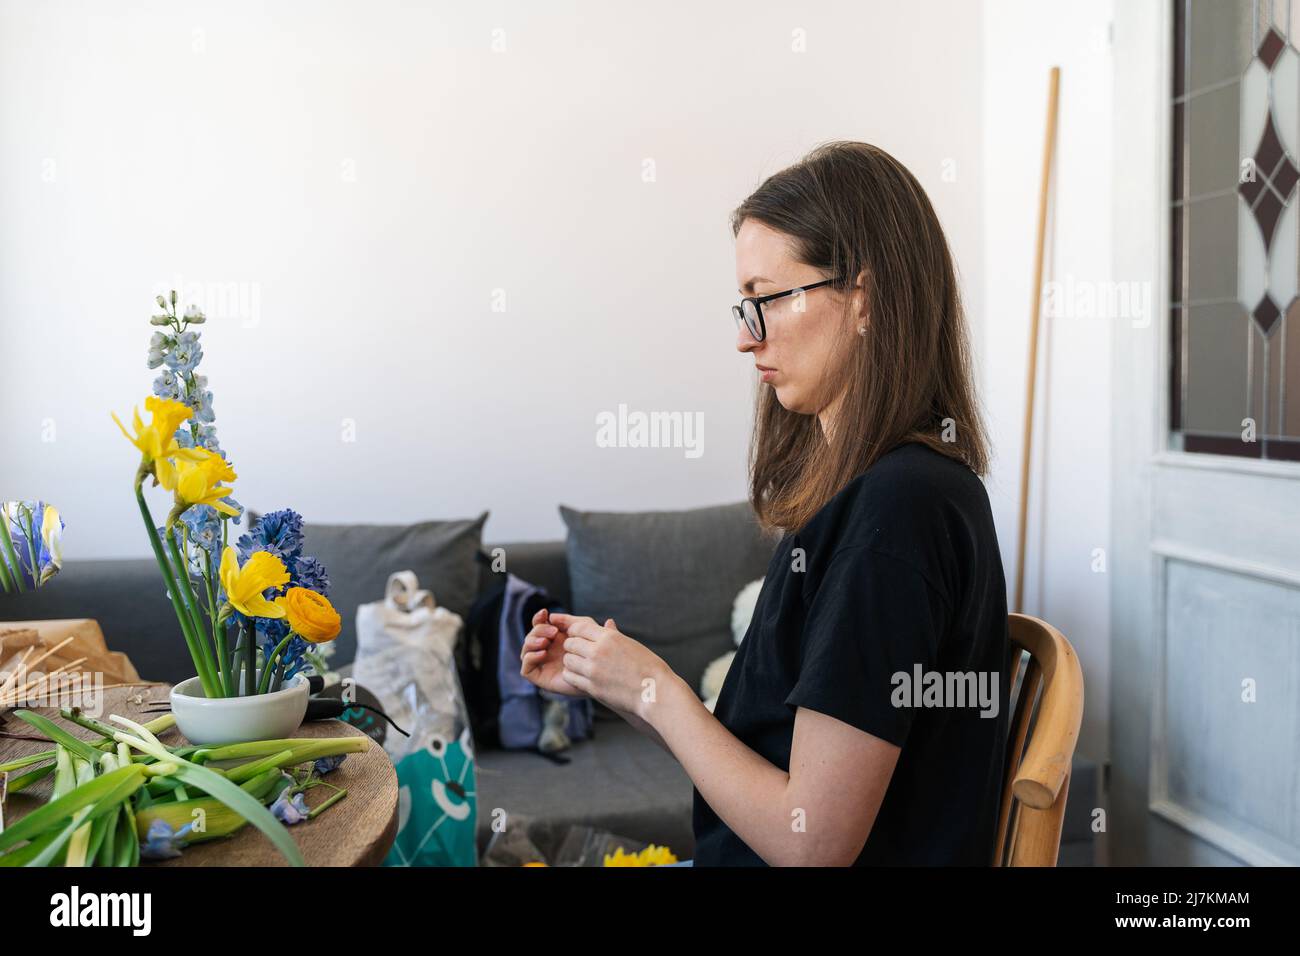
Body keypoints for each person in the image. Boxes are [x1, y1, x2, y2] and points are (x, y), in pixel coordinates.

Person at [521, 142, 1009, 866]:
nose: (747, 337)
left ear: (865, 299)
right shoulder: (876, 496)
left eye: (768, 297)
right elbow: (768, 755)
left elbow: (811, 841)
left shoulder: (900, 513)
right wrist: (619, 683)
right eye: (744, 304)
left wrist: (657, 689)